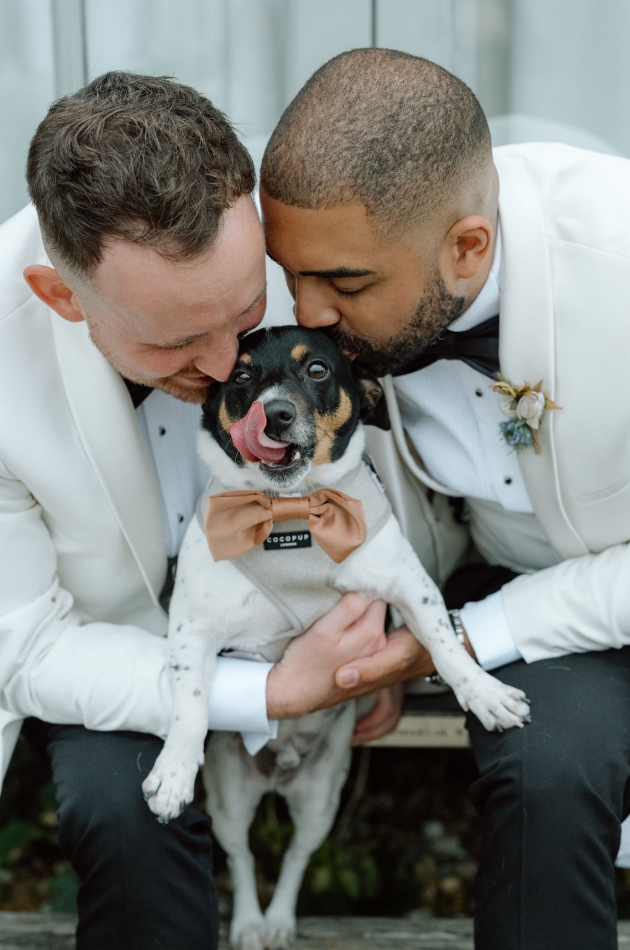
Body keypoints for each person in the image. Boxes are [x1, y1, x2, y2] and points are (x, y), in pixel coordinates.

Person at [0, 72, 398, 950]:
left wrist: (372, 639)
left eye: (247, 312)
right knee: (123, 813)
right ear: (62, 297)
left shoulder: (308, 259)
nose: (226, 369)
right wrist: (263, 692)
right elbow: (23, 647)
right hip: (114, 650)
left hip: (301, 623)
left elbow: (384, 465)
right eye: (177, 341)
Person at [259, 48, 630, 950]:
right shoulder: (336, 268)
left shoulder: (616, 264)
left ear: (469, 247)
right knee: (545, 780)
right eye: (291, 274)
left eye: (345, 285)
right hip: (510, 583)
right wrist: (365, 623)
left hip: (538, 605)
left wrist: (456, 641)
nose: (306, 315)